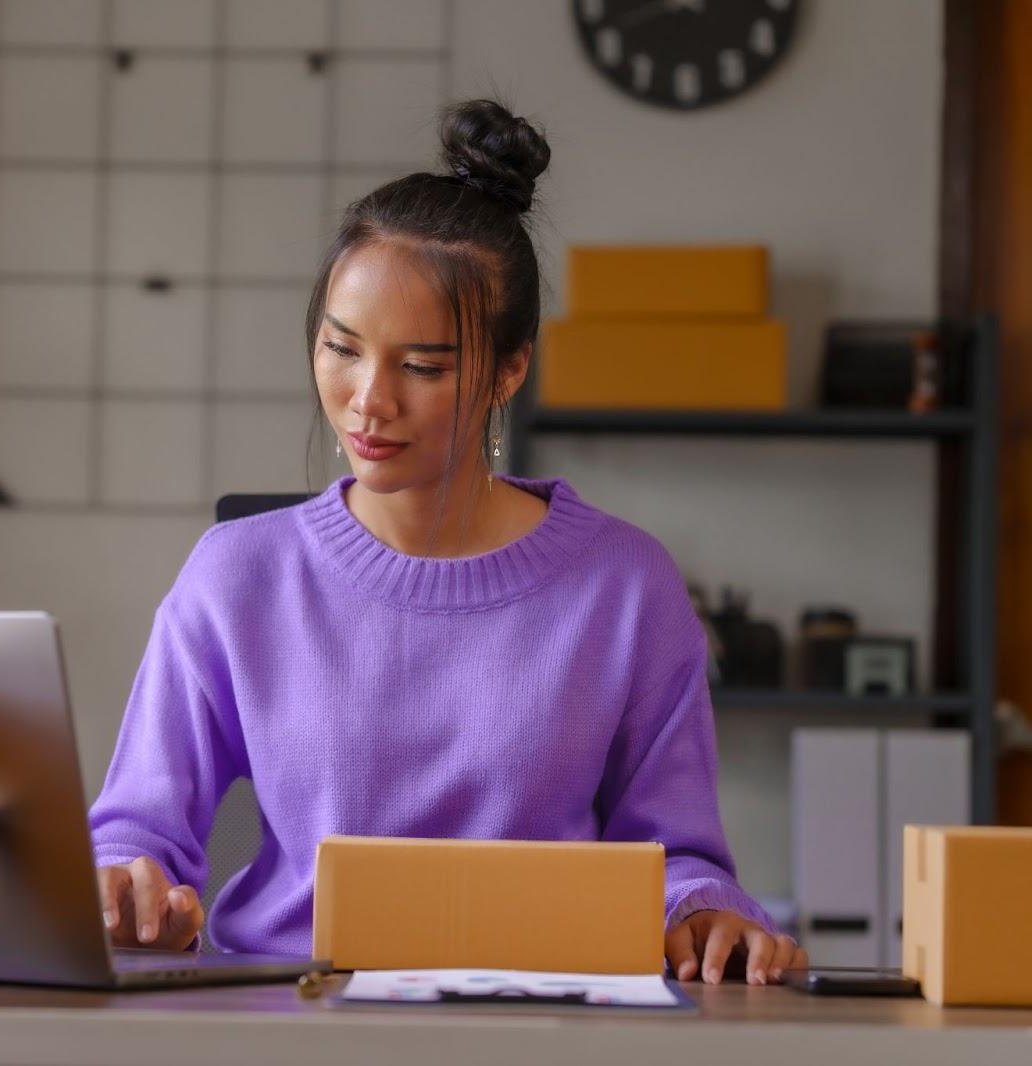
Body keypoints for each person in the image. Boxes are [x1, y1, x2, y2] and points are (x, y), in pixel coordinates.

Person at [87, 98, 808, 986]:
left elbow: (678, 860)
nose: (367, 400)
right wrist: (126, 886)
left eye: (422, 367)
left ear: (511, 369)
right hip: (287, 1014)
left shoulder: (625, 586)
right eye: (340, 349)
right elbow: (135, 831)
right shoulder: (239, 574)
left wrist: (705, 912)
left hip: (543, 1020)